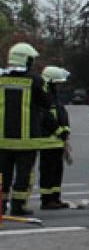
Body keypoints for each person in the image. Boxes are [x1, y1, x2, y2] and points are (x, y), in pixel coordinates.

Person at [0, 43, 51, 216]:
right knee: (23, 174)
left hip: (2, 139)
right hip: (26, 139)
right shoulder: (35, 80)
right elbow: (47, 103)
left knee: (2, 174)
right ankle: (18, 205)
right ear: (26, 60)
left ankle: (1, 204)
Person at [37, 66, 72, 209]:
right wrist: (59, 131)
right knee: (47, 171)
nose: (59, 86)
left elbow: (61, 116)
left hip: (58, 141)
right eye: (57, 83)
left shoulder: (54, 97)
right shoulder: (44, 97)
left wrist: (65, 134)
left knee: (57, 171)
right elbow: (46, 118)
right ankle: (46, 200)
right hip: (47, 141)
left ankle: (55, 198)